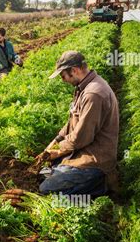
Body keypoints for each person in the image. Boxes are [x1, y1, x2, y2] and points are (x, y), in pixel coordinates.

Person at [37, 50, 119, 197]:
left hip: (94, 160)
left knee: (46, 189)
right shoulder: (83, 88)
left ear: (74, 70)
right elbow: (71, 123)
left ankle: (101, 185)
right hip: (81, 151)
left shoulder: (93, 94)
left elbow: (81, 137)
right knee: (44, 174)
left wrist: (57, 151)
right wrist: (53, 143)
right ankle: (72, 176)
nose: (63, 80)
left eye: (63, 76)